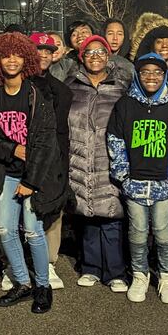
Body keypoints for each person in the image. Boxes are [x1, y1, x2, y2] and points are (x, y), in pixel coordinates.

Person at [0, 32, 66, 314]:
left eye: (17, 54)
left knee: (33, 231)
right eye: (5, 55)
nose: (11, 60)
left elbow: (46, 141)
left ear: (25, 58)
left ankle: (42, 286)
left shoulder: (37, 94)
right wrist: (12, 149)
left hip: (34, 176)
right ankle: (22, 282)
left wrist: (31, 181)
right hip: (6, 172)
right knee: (4, 228)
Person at [107, 52, 168, 304]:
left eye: (157, 72)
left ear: (164, 76)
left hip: (163, 183)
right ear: (138, 75)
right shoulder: (125, 104)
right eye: (145, 72)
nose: (151, 77)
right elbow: (115, 140)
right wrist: (122, 174)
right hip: (134, 181)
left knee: (163, 231)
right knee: (137, 232)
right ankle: (140, 274)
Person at [66, 35, 130, 293]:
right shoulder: (71, 86)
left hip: (109, 158)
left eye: (100, 52)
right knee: (87, 215)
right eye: (89, 52)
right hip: (79, 156)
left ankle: (115, 272)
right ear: (82, 57)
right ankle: (91, 268)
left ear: (108, 57)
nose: (95, 57)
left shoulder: (120, 87)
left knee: (112, 215)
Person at [29, 33, 73, 290]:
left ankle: (48, 263)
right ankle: (16, 263)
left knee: (51, 212)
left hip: (53, 158)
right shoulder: (18, 84)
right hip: (23, 157)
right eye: (38, 50)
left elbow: (62, 131)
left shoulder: (61, 90)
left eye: (47, 50)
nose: (43, 55)